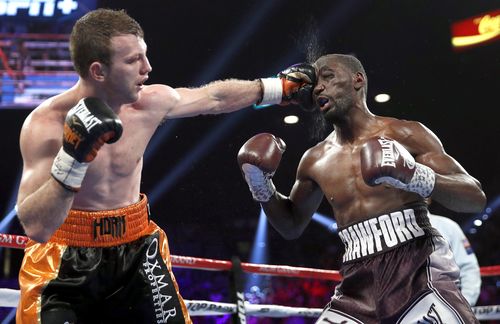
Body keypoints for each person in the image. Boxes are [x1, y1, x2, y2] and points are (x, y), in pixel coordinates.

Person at [15, 8, 316, 323]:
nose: (147, 68)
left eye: (144, 56)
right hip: (63, 256)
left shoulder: (148, 103)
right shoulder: (46, 125)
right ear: (98, 71)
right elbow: (36, 226)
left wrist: (279, 89)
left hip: (136, 248)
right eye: (133, 61)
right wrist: (72, 160)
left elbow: (213, 98)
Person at [237, 53, 486, 323]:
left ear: (358, 80)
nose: (318, 87)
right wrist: (261, 186)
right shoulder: (314, 160)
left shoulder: (405, 134)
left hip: (418, 270)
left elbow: (475, 198)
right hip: (357, 283)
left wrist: (414, 175)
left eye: (328, 77)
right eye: (315, 83)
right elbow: (291, 225)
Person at [427, 208, 482, 306]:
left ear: (428, 198)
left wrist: (465, 304)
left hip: (447, 306)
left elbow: (469, 268)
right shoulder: (391, 232)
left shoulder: (447, 227)